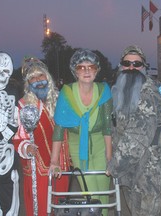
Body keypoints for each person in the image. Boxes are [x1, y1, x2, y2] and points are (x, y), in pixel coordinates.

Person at [49, 48, 112, 216]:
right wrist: (54, 161)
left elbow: (107, 127)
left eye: (90, 67)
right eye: (80, 67)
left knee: (104, 188)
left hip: (100, 142)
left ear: (97, 70)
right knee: (89, 186)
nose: (86, 71)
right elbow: (59, 127)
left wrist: (109, 157)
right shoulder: (67, 93)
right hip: (77, 143)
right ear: (74, 71)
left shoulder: (104, 91)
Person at [107, 45, 161, 216]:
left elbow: (136, 137)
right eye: (127, 63)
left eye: (137, 64)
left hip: (146, 174)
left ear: (144, 68)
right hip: (130, 172)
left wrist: (114, 166)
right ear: (121, 66)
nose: (131, 68)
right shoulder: (121, 91)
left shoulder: (147, 93)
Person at [12, 57, 71, 216]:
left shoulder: (60, 99)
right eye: (33, 78)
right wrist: (26, 147)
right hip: (38, 168)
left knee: (60, 206)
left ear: (48, 78)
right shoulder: (23, 105)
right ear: (28, 84)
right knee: (42, 207)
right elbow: (18, 137)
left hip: (62, 164)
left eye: (41, 76)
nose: (38, 80)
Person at [0, 52, 20, 215]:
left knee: (9, 186)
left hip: (6, 150)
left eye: (5, 70)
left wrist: (4, 136)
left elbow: (16, 120)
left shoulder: (14, 90)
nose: (0, 74)